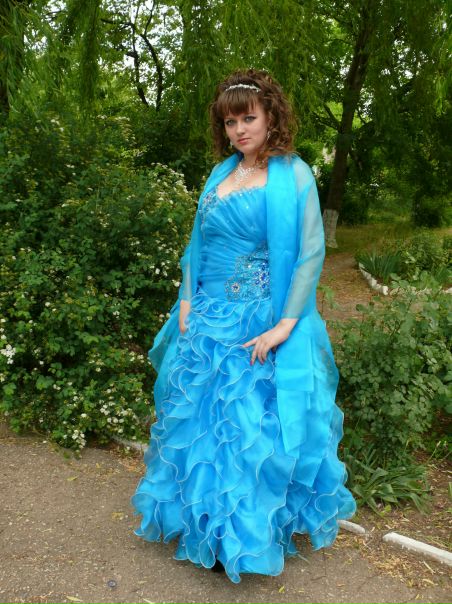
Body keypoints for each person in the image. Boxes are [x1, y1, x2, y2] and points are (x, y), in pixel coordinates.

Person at [131, 68, 356, 584]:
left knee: (249, 431)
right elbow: (198, 242)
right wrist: (186, 297)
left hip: (259, 320)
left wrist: (285, 325)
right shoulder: (220, 173)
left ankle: (241, 538)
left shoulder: (293, 174)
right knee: (202, 427)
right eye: (230, 122)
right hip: (207, 319)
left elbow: (310, 253)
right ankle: (204, 526)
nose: (239, 130)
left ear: (271, 116)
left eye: (248, 118)